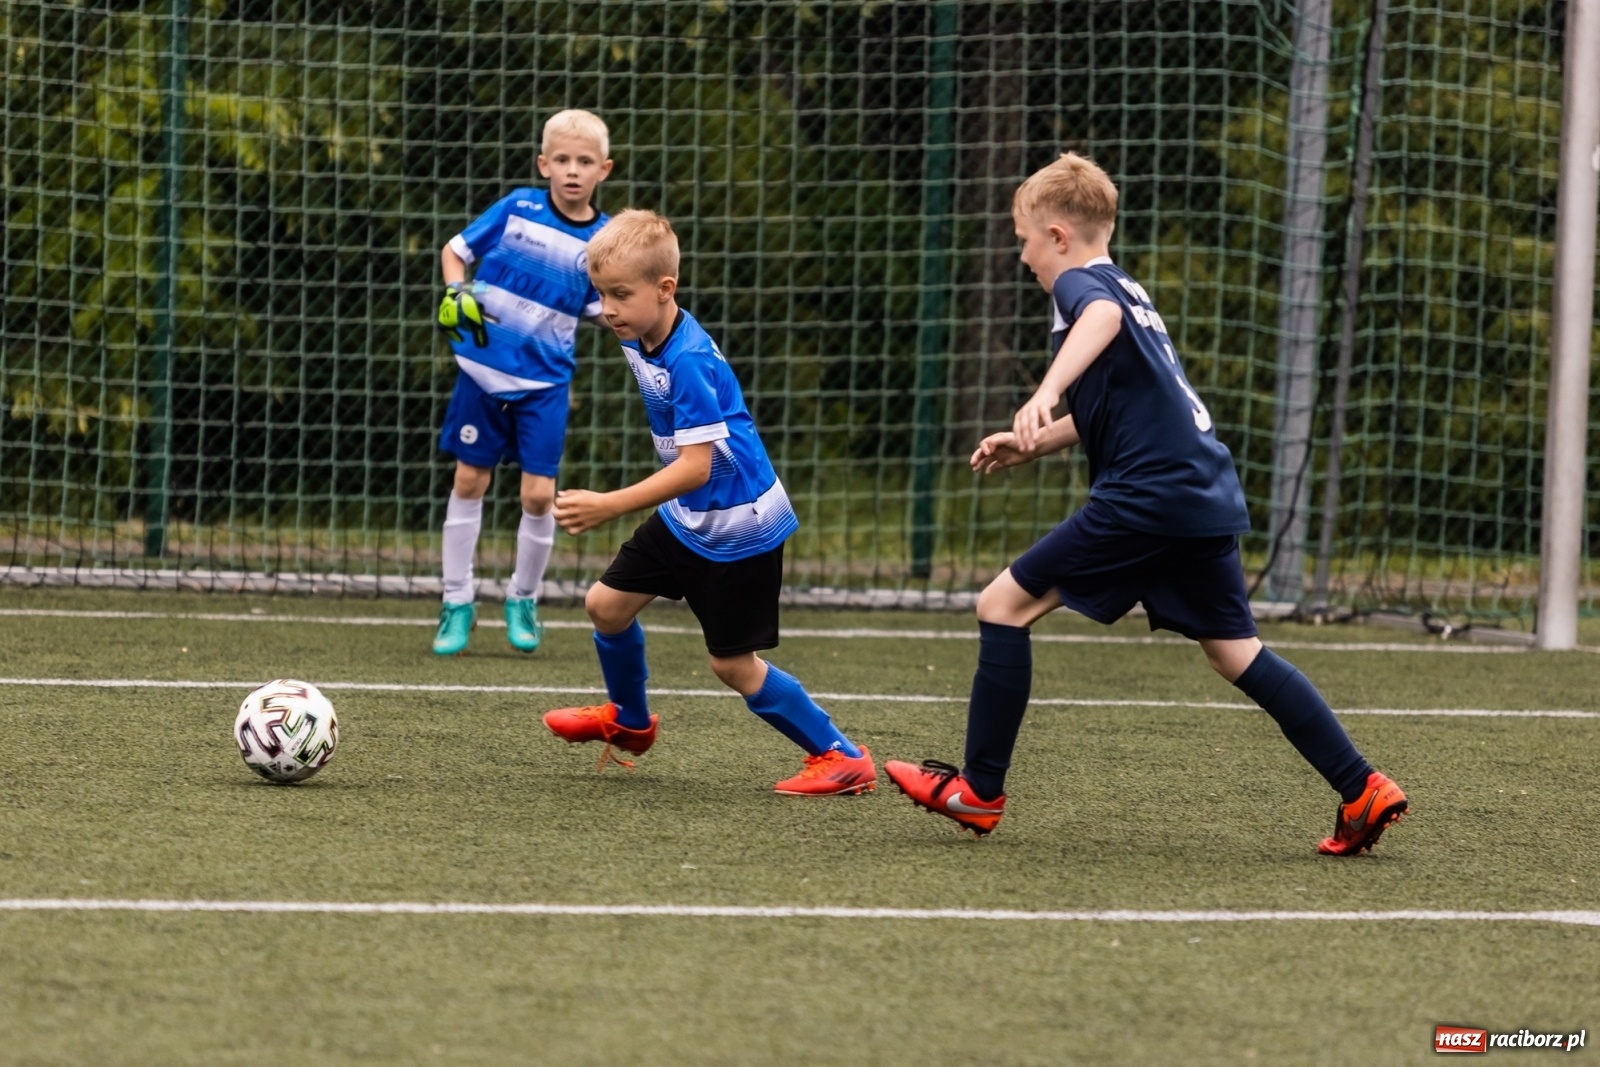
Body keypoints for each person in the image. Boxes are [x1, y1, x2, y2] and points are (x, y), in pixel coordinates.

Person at [885, 152, 1407, 855]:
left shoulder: (1085, 287)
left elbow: (1094, 320)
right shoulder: (1128, 286)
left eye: (1025, 240)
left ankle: (978, 792)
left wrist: (1043, 392)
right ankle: (1362, 785)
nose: (1024, 257)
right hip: (1198, 490)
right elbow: (1127, 400)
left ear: (1060, 235)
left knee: (1000, 604)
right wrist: (1034, 441)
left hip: (1148, 494)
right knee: (1235, 651)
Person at [543, 209, 877, 796]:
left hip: (739, 523)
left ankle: (841, 755)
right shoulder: (638, 324)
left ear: (665, 290)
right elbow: (609, 281)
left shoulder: (689, 360)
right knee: (607, 606)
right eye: (601, 294)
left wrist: (607, 505)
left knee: (732, 665)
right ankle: (630, 721)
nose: (608, 308)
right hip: (691, 515)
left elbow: (695, 469)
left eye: (619, 295)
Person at [431, 109, 614, 656]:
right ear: (544, 164)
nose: (572, 171)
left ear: (604, 169)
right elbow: (455, 252)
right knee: (469, 482)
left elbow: (597, 307)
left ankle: (523, 598)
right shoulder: (517, 208)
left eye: (584, 161)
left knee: (538, 496)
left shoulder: (604, 239)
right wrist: (455, 291)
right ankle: (456, 602)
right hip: (481, 375)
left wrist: (639, 319)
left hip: (545, 385)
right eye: (561, 160)